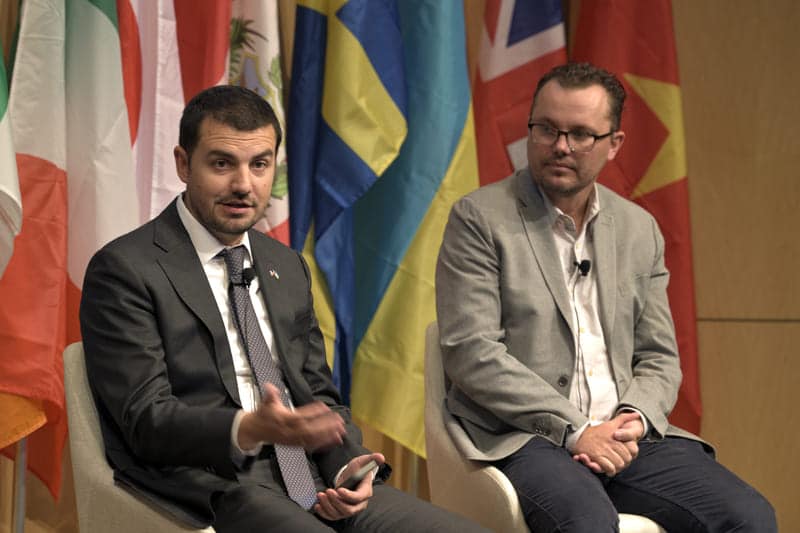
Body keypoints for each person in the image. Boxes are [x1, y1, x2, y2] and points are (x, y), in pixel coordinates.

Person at [80, 85, 488, 533]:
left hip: (313, 480)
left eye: (260, 165)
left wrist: (348, 471)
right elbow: (146, 421)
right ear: (183, 163)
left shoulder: (285, 265)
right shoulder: (126, 269)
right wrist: (249, 428)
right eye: (221, 164)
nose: (244, 185)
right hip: (216, 484)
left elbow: (318, 392)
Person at [435, 63, 776, 532]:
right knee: (588, 523)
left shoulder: (638, 229)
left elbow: (659, 356)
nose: (560, 146)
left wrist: (633, 418)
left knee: (749, 518)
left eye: (580, 134)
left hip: (625, 439)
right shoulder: (479, 219)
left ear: (613, 144)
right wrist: (576, 430)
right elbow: (471, 353)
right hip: (525, 436)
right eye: (546, 129)